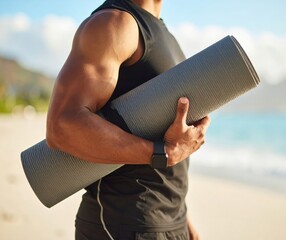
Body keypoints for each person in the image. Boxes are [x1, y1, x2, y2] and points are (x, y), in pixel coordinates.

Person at [46, 0, 210, 239]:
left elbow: (157, 130)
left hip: (168, 223)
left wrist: (183, 219)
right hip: (122, 223)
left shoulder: (164, 33)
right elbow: (62, 125)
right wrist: (163, 153)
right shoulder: (114, 23)